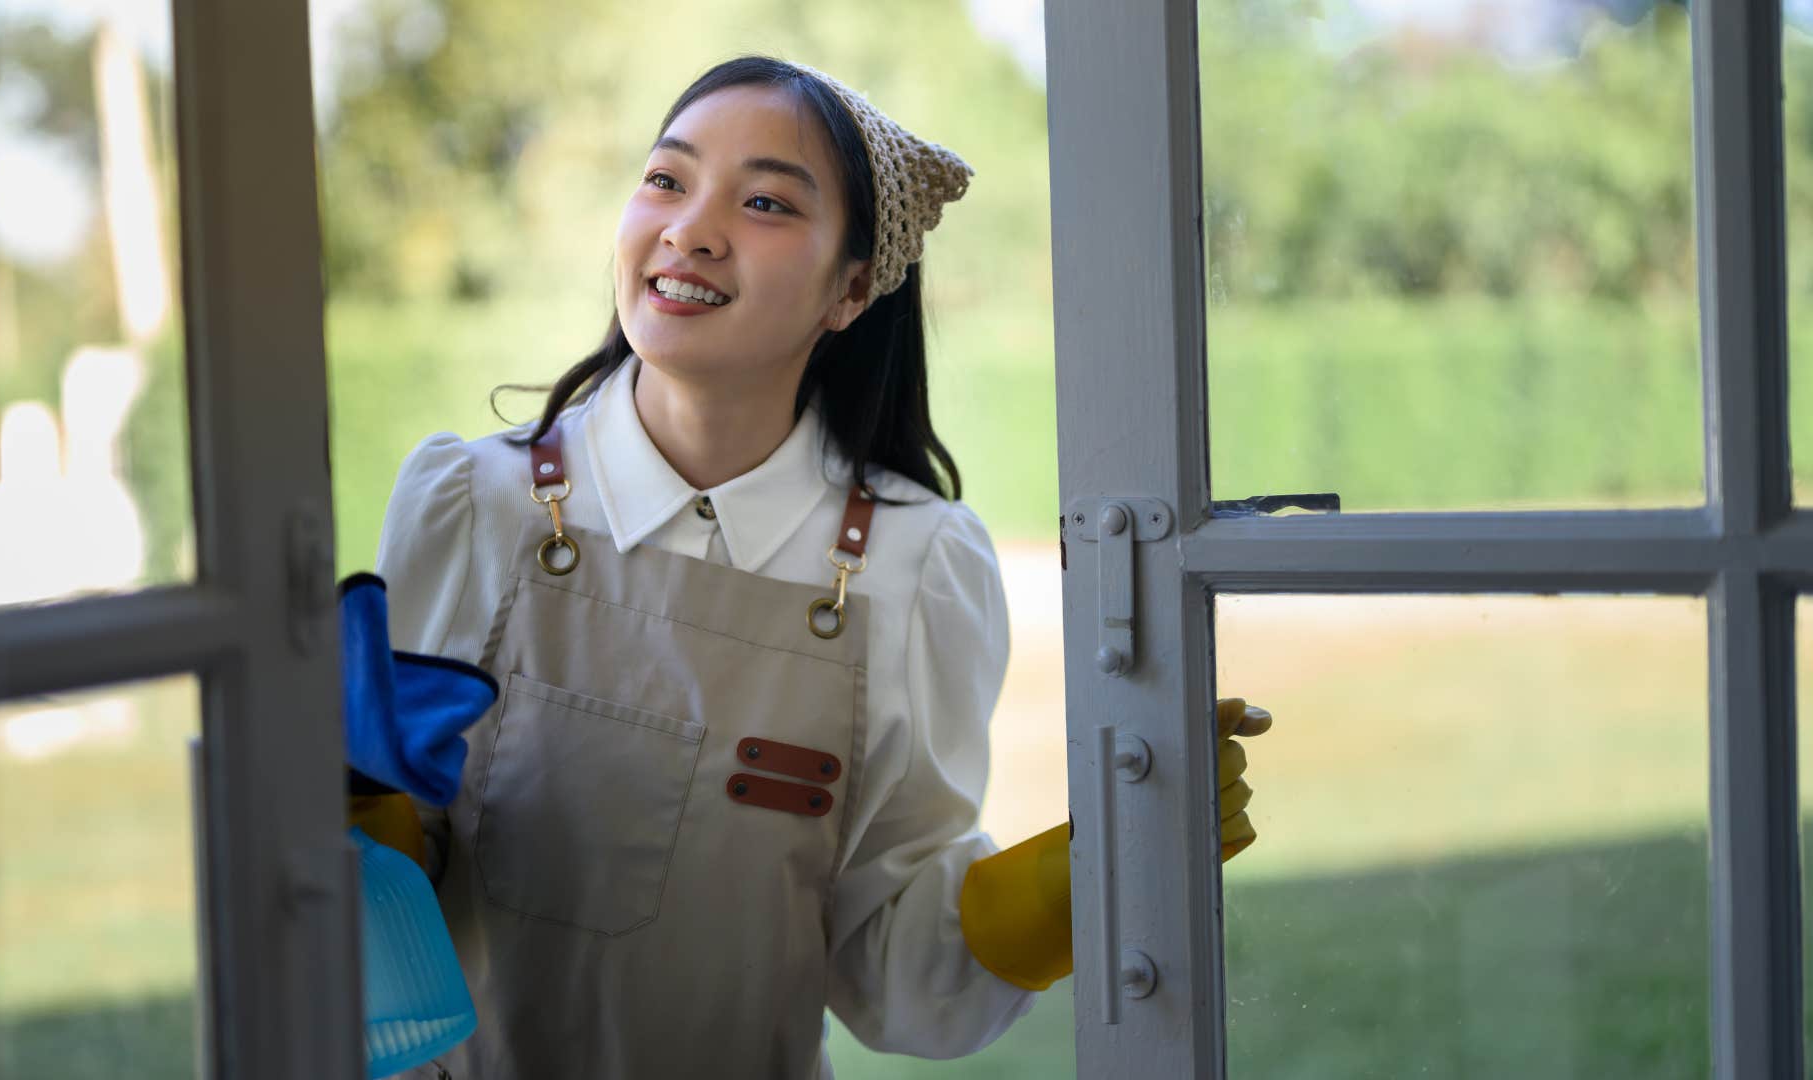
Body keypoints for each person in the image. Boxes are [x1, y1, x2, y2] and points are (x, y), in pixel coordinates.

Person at [358, 55, 1270, 1078]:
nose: (690, 229)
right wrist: (348, 811)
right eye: (666, 179)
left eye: (763, 202)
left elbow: (898, 981)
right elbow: (383, 890)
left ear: (851, 289)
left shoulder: (917, 565)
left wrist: (1096, 867)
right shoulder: (471, 503)